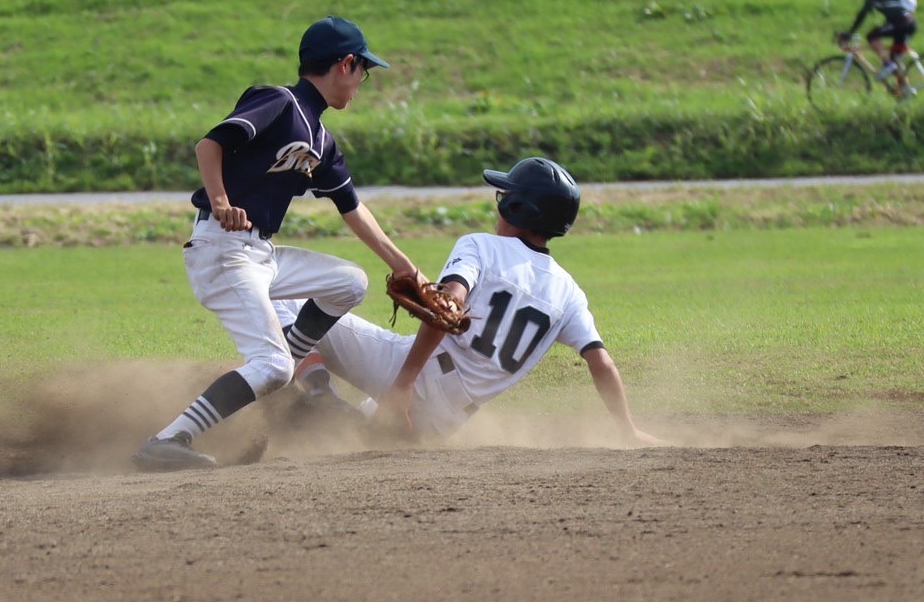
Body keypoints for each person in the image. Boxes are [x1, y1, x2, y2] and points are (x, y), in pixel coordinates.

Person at [133, 16, 428, 471]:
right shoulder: (278, 102)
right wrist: (222, 200)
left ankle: (283, 368)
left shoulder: (321, 139)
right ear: (345, 64)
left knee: (349, 282)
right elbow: (209, 145)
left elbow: (351, 207)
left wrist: (404, 265)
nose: (361, 82)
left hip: (259, 255)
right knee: (270, 365)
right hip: (222, 250)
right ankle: (169, 439)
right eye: (363, 71)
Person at [283, 157, 661, 447]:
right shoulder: (569, 292)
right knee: (356, 433)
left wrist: (402, 386)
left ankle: (319, 394)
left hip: (414, 376)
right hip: (444, 423)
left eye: (506, 196)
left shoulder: (480, 245)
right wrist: (627, 429)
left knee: (294, 298)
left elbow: (447, 307)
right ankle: (334, 419)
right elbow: (602, 363)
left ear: (518, 209)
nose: (500, 201)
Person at [842, 0, 920, 95]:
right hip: (906, 23)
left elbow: (863, 13)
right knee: (895, 59)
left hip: (902, 23)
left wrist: (850, 33)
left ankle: (887, 64)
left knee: (872, 36)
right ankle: (905, 90)